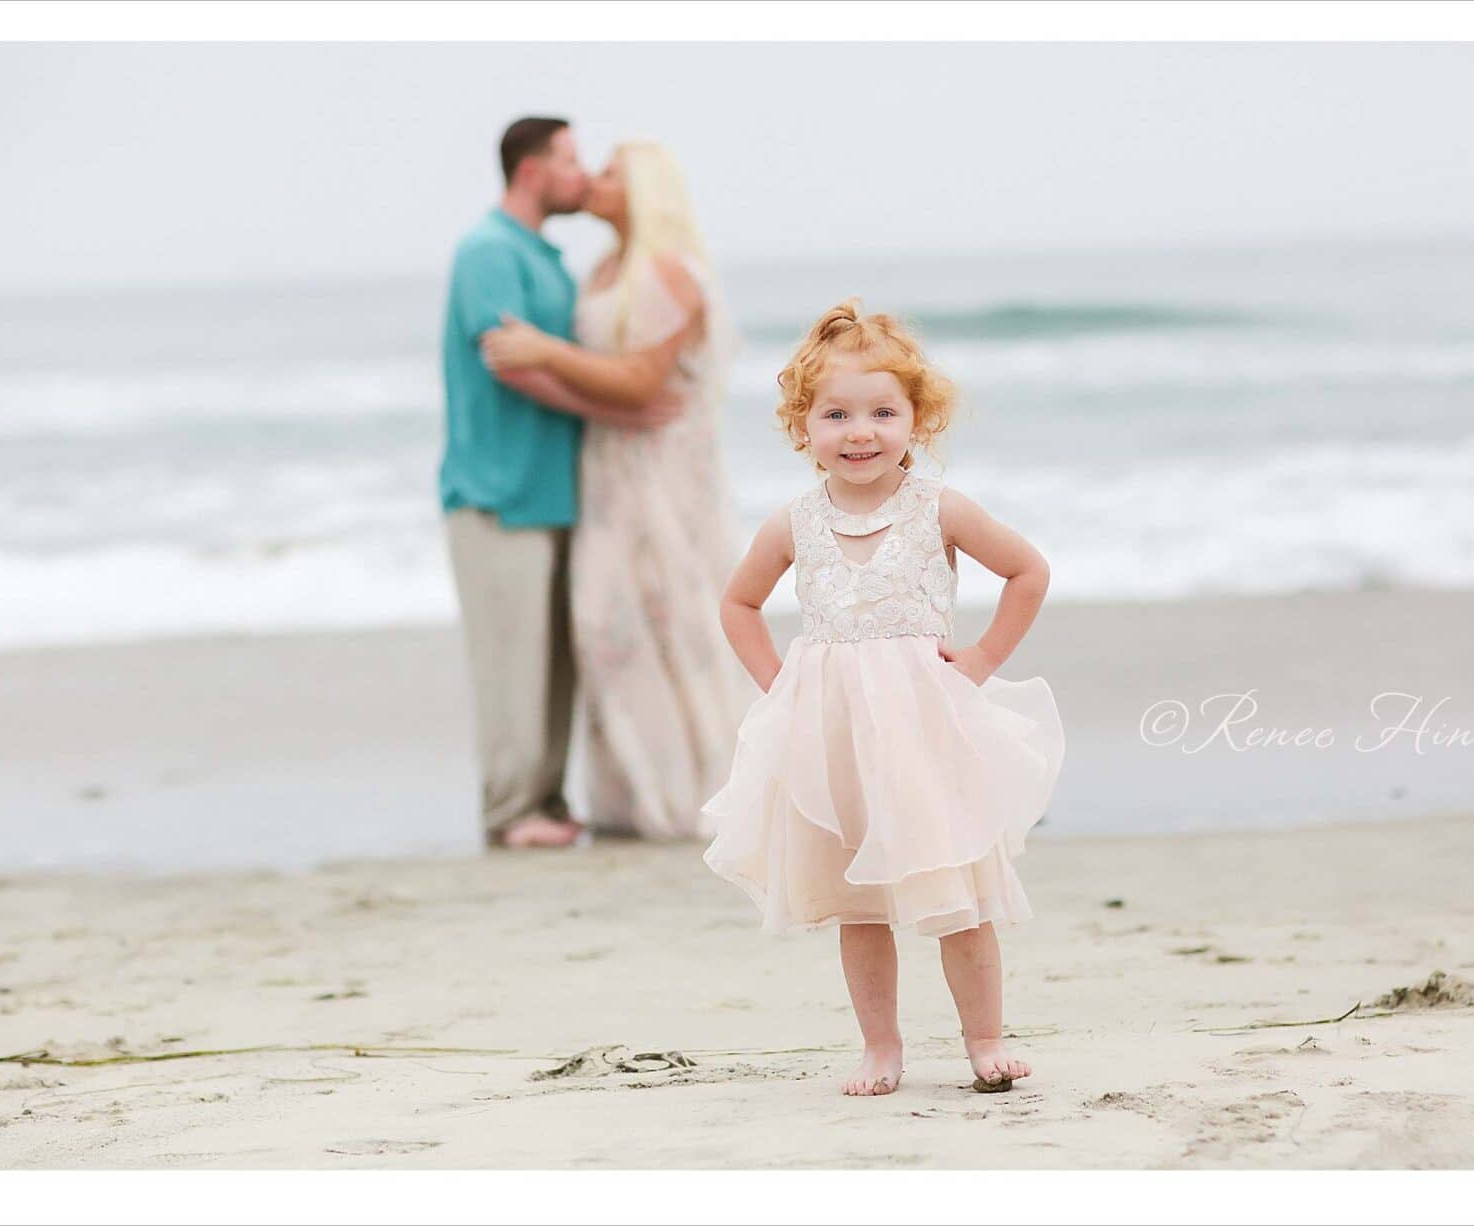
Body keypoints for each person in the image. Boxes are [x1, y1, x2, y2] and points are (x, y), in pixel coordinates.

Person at [700, 299, 1066, 1097]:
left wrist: (978, 660)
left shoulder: (939, 507)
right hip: (832, 740)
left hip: (926, 733)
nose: (859, 431)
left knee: (958, 890)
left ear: (916, 419)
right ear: (804, 427)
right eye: (836, 414)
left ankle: (986, 1039)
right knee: (858, 900)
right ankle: (881, 1047)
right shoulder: (794, 523)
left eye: (882, 412)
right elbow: (738, 605)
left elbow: (1028, 571)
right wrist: (781, 684)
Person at [477, 139, 752, 841]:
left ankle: (696, 792)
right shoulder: (605, 268)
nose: (593, 181)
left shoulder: (667, 271)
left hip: (660, 475)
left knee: (671, 621)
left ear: (644, 192)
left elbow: (641, 381)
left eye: (608, 173)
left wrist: (546, 351)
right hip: (608, 473)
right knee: (609, 625)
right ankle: (633, 794)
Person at [438, 115, 682, 850]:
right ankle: (511, 813)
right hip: (495, 489)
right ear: (532, 169)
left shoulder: (546, 260)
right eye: (572, 161)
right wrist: (611, 411)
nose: (581, 176)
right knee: (509, 659)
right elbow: (510, 362)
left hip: (555, 489)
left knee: (551, 662)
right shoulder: (488, 250)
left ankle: (544, 801)